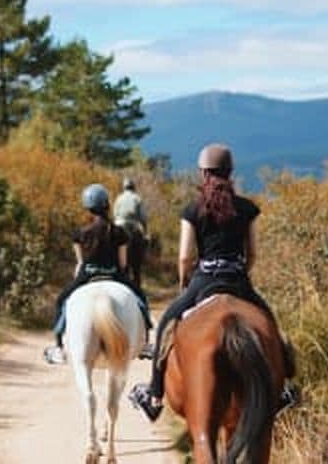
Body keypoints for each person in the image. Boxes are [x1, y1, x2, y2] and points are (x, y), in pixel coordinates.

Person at [128, 144, 298, 421]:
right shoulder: (247, 209)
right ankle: (281, 390)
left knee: (164, 328)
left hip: (203, 280)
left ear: (203, 173)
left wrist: (185, 282)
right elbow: (252, 252)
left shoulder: (192, 210)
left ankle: (154, 394)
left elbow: (185, 257)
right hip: (239, 281)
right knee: (271, 326)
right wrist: (242, 271)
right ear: (230, 172)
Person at [43, 183, 153, 365]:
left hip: (87, 275)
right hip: (115, 275)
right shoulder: (119, 233)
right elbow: (123, 263)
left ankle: (59, 347)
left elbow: (80, 263)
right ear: (107, 205)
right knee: (141, 299)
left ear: (87, 207)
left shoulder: (80, 234)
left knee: (61, 301)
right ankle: (145, 343)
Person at [113, 177, 148, 289]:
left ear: (124, 187)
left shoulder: (118, 198)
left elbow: (114, 214)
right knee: (137, 263)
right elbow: (142, 217)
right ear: (133, 187)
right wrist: (145, 231)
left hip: (118, 225)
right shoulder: (137, 198)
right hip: (133, 226)